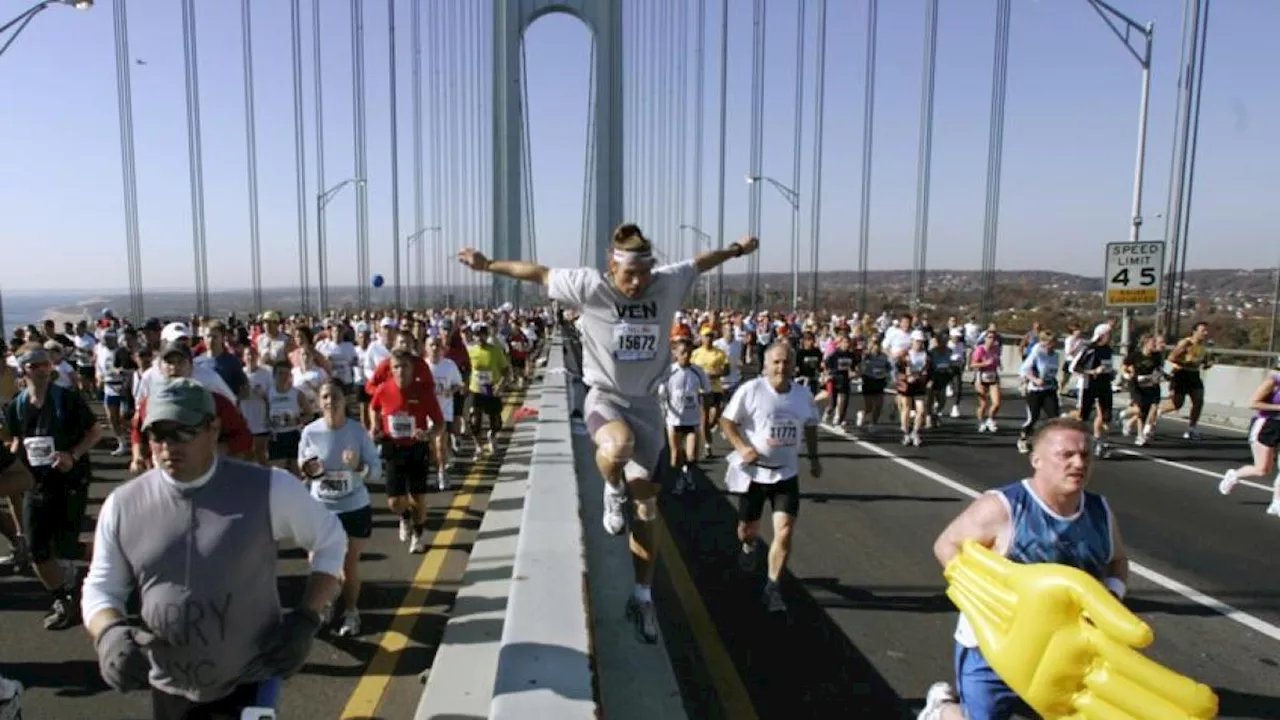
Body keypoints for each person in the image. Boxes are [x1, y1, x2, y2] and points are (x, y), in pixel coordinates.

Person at [455, 222, 758, 643]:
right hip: (605, 398)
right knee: (618, 446)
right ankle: (611, 487)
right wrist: (488, 265)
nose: (638, 283)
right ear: (610, 268)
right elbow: (539, 273)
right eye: (629, 275)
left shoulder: (666, 283)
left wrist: (735, 250)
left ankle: (643, 595)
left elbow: (701, 263)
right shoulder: (588, 286)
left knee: (648, 510)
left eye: (644, 274)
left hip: (648, 405)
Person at [82, 378, 347, 719]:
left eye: (182, 432)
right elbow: (101, 587)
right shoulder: (123, 504)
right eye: (157, 434)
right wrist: (108, 632)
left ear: (213, 428)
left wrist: (308, 616)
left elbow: (330, 540)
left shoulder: (268, 488)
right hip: (170, 686)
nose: (167, 446)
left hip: (251, 679)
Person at [917, 417, 1129, 720]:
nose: (1078, 463)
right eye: (1066, 455)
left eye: (1085, 455)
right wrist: (986, 601)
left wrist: (1112, 596)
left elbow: (1117, 560)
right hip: (992, 646)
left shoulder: (1099, 510)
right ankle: (942, 711)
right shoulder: (1003, 506)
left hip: (1065, 648)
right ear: (1037, 460)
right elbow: (946, 545)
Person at [2, 343, 102, 630]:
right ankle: (64, 600)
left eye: (46, 364)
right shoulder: (17, 406)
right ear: (23, 370)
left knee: (66, 547)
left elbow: (94, 432)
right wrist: (13, 461)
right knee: (37, 549)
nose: (43, 370)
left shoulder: (68, 400)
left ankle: (115, 557)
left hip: (71, 480)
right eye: (35, 365)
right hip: (36, 483)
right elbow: (16, 441)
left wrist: (73, 454)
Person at [719, 342, 820, 613]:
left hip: (786, 475)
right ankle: (749, 546)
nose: (781, 367)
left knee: (784, 532)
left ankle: (772, 587)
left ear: (793, 365)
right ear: (765, 365)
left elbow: (810, 426)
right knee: (747, 530)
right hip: (754, 474)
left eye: (786, 362)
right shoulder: (751, 390)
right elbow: (727, 421)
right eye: (776, 362)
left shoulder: (802, 395)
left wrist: (813, 458)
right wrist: (742, 447)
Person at [299, 380, 382, 637]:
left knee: (348, 566)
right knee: (319, 564)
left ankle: (351, 612)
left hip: (353, 507)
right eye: (324, 397)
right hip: (321, 508)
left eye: (334, 397)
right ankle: (326, 603)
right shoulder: (311, 432)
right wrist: (309, 470)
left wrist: (358, 466)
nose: (329, 402)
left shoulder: (357, 432)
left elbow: (376, 472)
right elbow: (304, 467)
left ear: (344, 400)